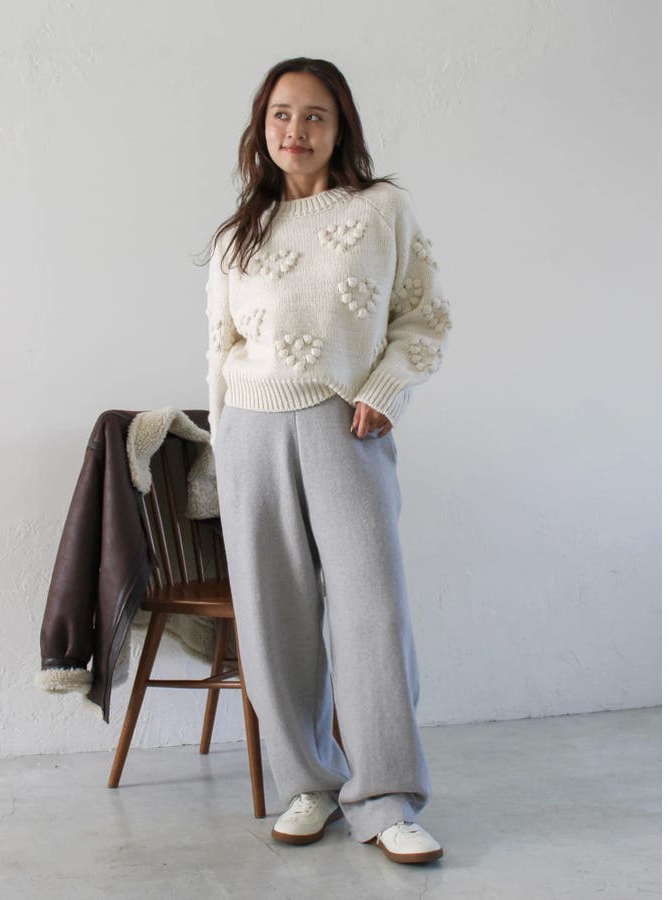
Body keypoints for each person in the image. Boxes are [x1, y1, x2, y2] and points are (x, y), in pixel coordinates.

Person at [200, 57, 452, 865]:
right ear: (261, 126)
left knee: (372, 613)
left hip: (346, 426)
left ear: (340, 127)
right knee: (272, 618)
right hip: (251, 431)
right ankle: (308, 782)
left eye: (314, 115)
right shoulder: (237, 234)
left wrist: (388, 388)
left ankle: (387, 798)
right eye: (281, 114)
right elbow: (220, 348)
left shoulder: (382, 210)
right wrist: (225, 439)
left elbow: (425, 317)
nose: (295, 130)